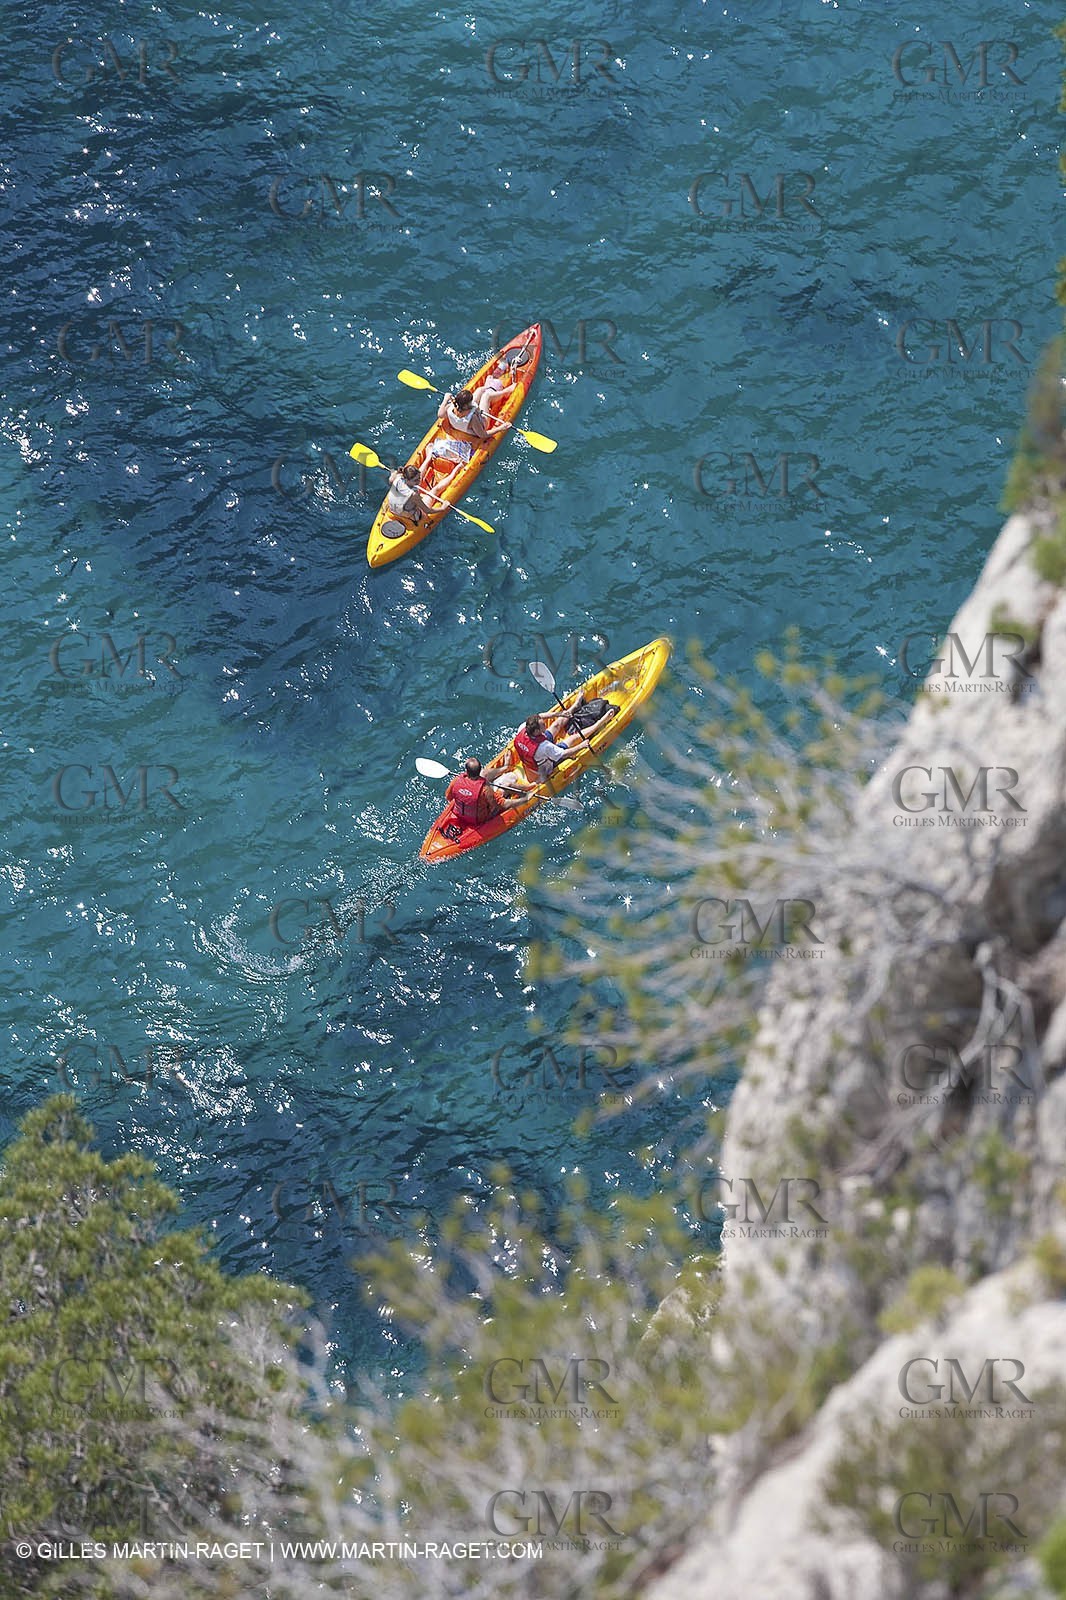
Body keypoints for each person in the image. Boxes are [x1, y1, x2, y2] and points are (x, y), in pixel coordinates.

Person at [512, 697, 619, 782]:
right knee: (573, 738)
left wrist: (558, 714)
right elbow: (564, 753)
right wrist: (582, 746)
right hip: (544, 768)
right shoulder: (544, 747)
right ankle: (601, 721)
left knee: (556, 724)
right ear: (536, 731)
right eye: (543, 726)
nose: (545, 726)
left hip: (534, 757)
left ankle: (574, 706)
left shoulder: (523, 727)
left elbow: (539, 716)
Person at [445, 757, 527, 826]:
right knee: (510, 778)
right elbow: (501, 804)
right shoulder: (485, 790)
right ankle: (526, 789)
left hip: (460, 814)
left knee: (485, 773)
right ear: (479, 769)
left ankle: (505, 768)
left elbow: (448, 797)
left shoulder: (456, 780)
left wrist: (465, 796)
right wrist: (524, 800)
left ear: (467, 771)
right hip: (481, 819)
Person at [437, 387, 508, 446]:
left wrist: (445, 399)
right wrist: (500, 428)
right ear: (466, 405)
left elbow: (440, 414)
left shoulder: (451, 407)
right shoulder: (472, 418)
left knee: (479, 390)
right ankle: (505, 392)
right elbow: (482, 434)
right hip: (480, 425)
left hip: (459, 426)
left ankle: (489, 387)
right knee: (486, 396)